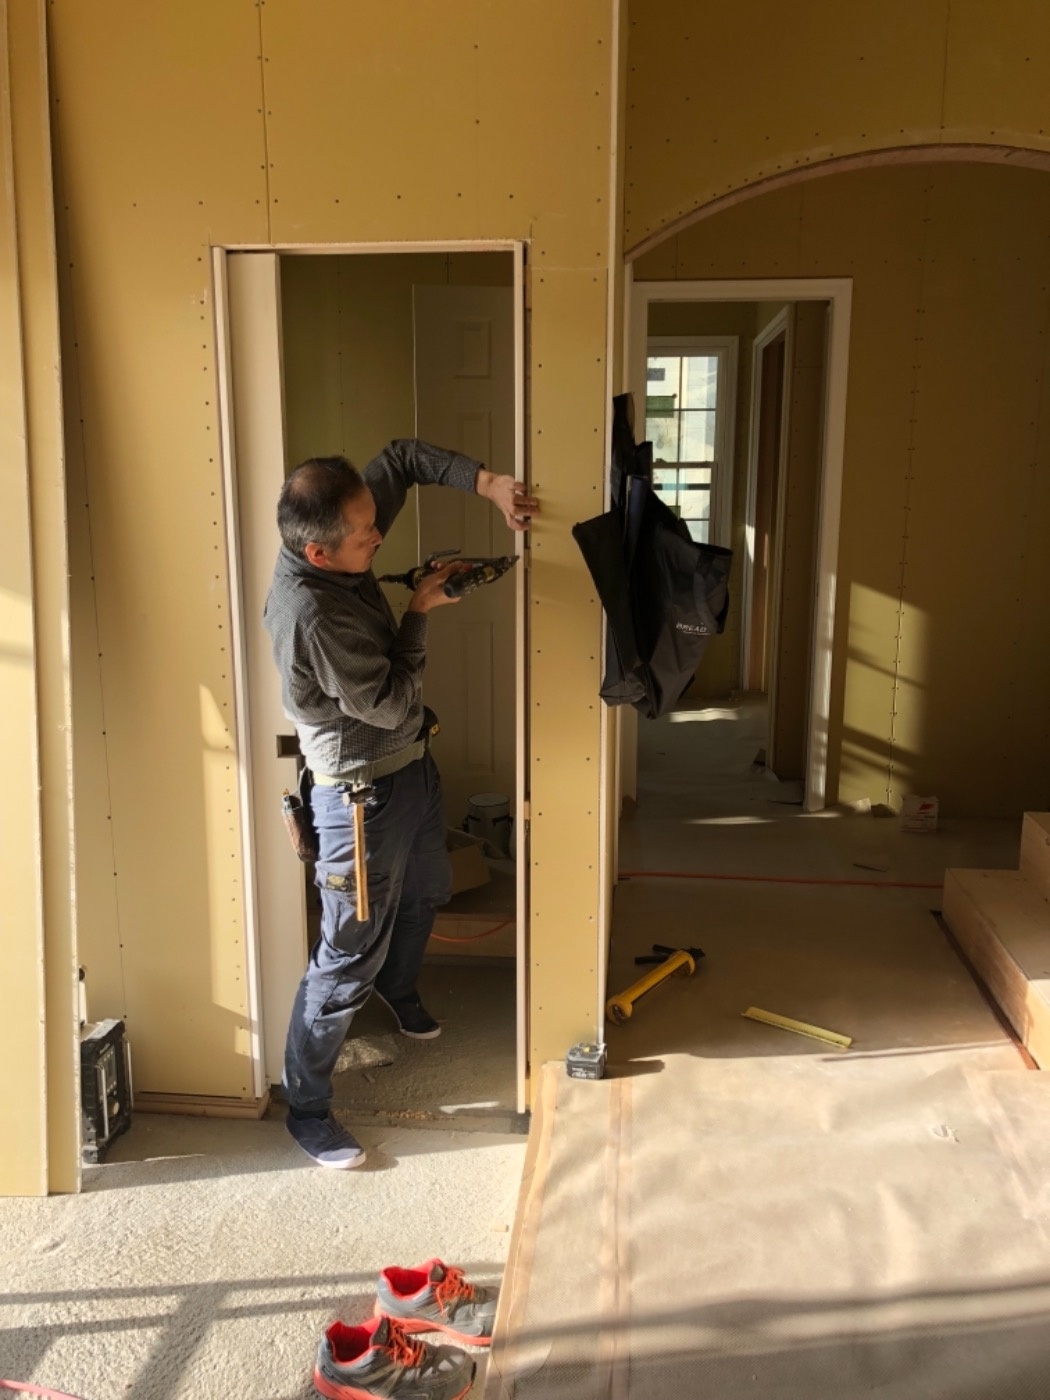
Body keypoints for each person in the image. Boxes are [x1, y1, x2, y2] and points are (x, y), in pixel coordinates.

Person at [264, 440, 537, 1169]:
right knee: (347, 954)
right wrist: (420, 610)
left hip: (412, 768)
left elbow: (403, 457)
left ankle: (398, 985)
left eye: (371, 521)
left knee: (428, 892)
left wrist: (489, 483)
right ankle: (307, 1109)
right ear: (320, 553)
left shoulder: (341, 521)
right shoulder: (311, 614)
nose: (378, 535)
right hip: (358, 799)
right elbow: (388, 704)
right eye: (366, 536)